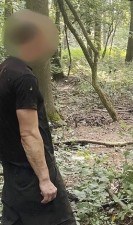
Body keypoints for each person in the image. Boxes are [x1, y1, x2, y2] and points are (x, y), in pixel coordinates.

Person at [0, 10, 76, 225]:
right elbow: (29, 133)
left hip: (12, 166)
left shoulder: (4, 69)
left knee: (14, 220)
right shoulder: (24, 78)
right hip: (30, 170)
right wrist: (44, 179)